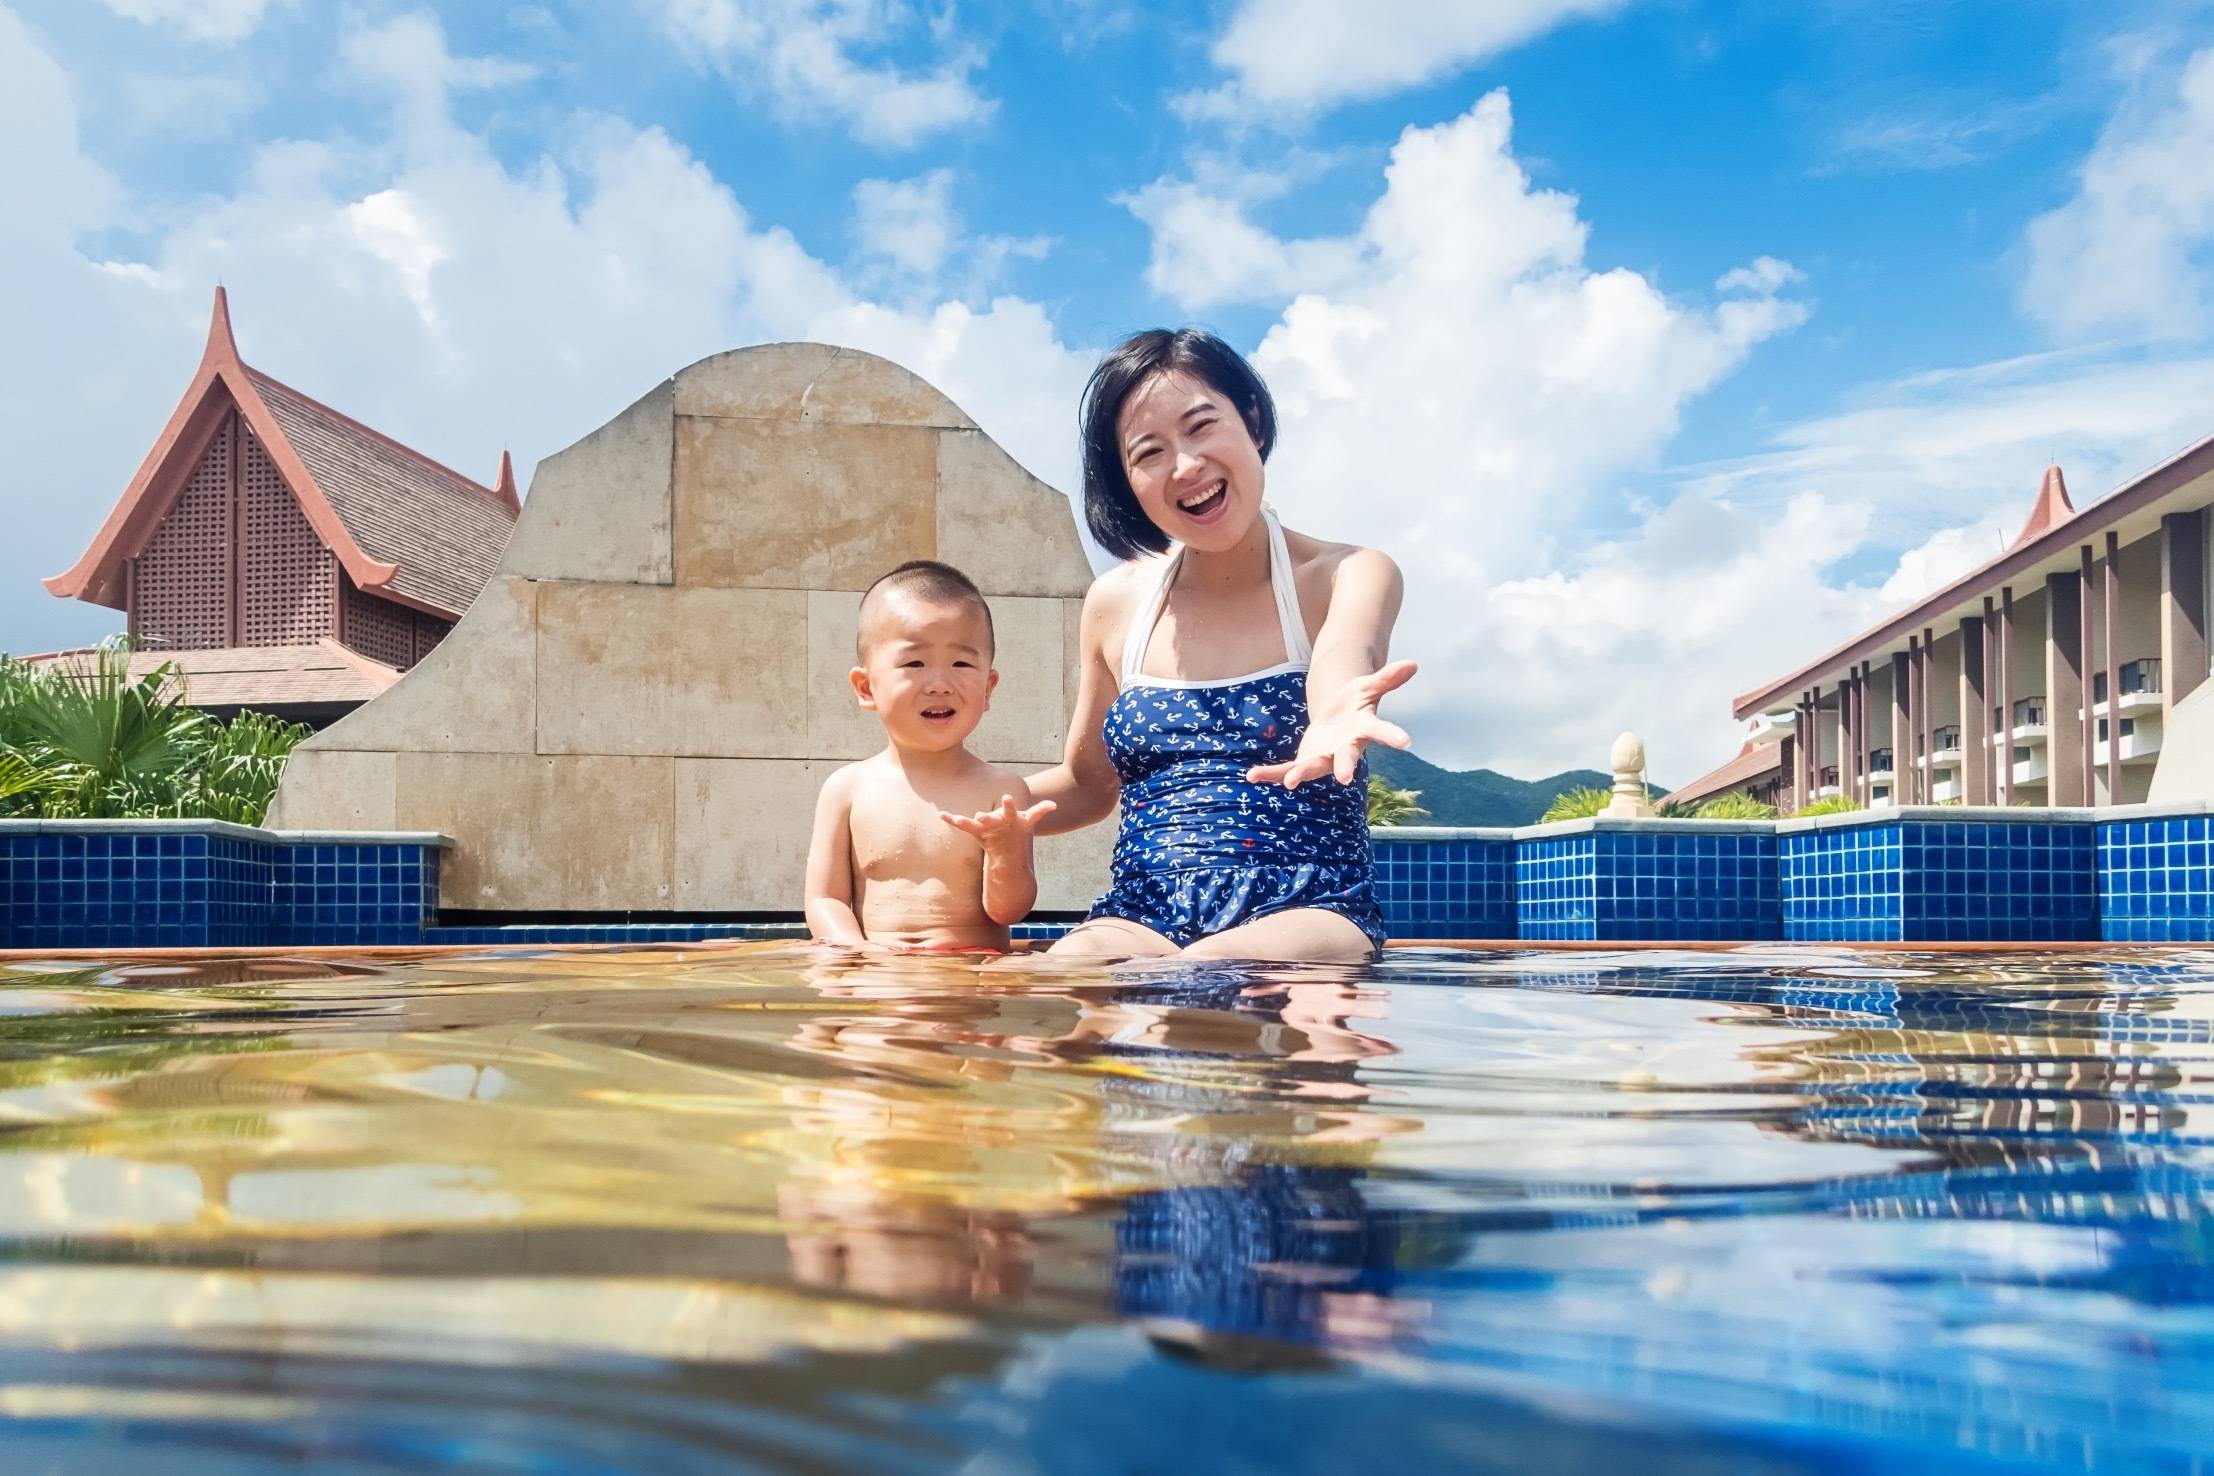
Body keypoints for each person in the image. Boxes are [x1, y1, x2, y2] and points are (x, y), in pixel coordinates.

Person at [1027, 329, 1414, 962]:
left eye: (1201, 426)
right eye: (1149, 452)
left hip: (1307, 907)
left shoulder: (1346, 573)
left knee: (1205, 974)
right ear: (1127, 482)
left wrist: (1336, 713)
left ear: (1253, 421)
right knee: (1063, 971)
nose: (1185, 466)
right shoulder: (1115, 605)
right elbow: (1087, 784)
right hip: (1142, 911)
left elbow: (1345, 652)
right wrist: (964, 802)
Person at [803, 560, 1056, 952]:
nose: (939, 684)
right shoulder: (847, 790)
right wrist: (855, 948)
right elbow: (825, 899)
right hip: (877, 978)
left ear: (988, 688)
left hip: (967, 976)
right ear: (866, 687)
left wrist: (1004, 851)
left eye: (961, 663)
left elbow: (1009, 912)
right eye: (914, 663)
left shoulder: (1001, 792)